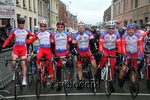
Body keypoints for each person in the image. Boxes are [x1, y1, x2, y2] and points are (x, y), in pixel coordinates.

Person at [1, 16, 34, 85]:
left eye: (22, 23)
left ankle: (24, 79)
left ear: (24, 23)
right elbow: (8, 39)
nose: (21, 24)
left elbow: (34, 37)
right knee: (13, 62)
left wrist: (28, 41)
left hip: (23, 49)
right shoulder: (14, 31)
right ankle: (14, 73)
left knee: (22, 63)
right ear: (18, 23)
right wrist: (3, 46)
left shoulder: (27, 31)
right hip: (16, 48)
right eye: (19, 23)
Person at [72, 22, 97, 89]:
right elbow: (74, 47)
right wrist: (77, 54)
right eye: (79, 28)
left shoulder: (89, 33)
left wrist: (96, 50)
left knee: (94, 65)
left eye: (82, 28)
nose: (81, 29)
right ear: (78, 28)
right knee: (79, 67)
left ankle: (95, 77)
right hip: (79, 52)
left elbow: (93, 42)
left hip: (88, 51)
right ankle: (80, 82)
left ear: (84, 28)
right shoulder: (75, 35)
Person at [98, 20, 122, 92]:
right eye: (109, 28)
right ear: (107, 28)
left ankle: (111, 84)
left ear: (114, 28)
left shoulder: (117, 34)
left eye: (112, 28)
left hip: (112, 51)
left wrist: (120, 52)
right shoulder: (103, 34)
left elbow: (119, 44)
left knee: (112, 67)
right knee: (102, 63)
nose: (111, 29)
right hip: (105, 50)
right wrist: (101, 51)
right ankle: (98, 75)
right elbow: (101, 44)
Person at [118, 24, 144, 89]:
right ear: (127, 30)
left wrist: (141, 54)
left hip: (135, 54)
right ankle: (120, 79)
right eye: (129, 30)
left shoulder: (138, 36)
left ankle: (133, 84)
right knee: (124, 69)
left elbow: (140, 46)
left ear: (134, 30)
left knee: (133, 70)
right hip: (127, 54)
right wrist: (124, 54)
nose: (131, 31)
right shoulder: (124, 36)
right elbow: (123, 46)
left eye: (132, 30)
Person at [51, 21, 72, 91]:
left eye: (61, 27)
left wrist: (69, 52)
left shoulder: (67, 34)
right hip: (58, 54)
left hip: (65, 53)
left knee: (70, 64)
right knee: (58, 69)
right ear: (57, 27)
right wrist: (54, 53)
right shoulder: (54, 35)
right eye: (59, 27)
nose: (60, 28)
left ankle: (69, 78)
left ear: (63, 27)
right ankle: (59, 84)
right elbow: (52, 45)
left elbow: (71, 44)